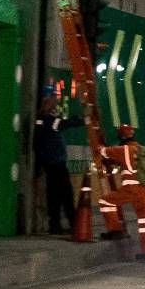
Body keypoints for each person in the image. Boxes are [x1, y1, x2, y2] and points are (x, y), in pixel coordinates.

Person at [98, 124, 145, 261]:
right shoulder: (142, 149)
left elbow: (103, 151)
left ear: (121, 137)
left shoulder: (125, 150)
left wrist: (101, 146)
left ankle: (115, 230)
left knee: (105, 201)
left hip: (132, 190)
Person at [33, 89, 84, 235]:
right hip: (54, 163)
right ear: (47, 100)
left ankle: (58, 224)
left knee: (57, 194)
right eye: (54, 98)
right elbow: (61, 124)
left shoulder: (44, 118)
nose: (56, 101)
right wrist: (82, 120)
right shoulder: (46, 119)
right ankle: (69, 223)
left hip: (53, 162)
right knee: (64, 193)